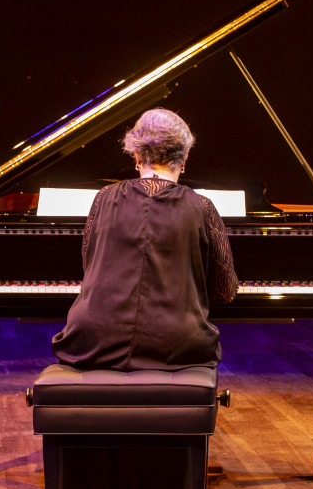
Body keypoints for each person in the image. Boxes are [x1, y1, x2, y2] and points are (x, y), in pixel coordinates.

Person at [52, 108, 238, 371]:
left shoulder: (104, 197)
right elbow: (225, 292)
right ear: (184, 158)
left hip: (92, 340)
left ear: (136, 155)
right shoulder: (203, 207)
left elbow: (89, 265)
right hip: (177, 345)